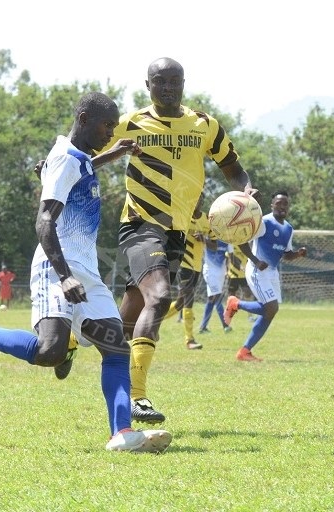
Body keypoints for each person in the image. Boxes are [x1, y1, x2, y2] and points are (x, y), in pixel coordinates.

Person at [0, 92, 171, 453]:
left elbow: (78, 170)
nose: (110, 131)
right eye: (107, 125)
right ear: (84, 118)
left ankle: (122, 433)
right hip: (56, 268)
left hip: (85, 270)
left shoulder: (77, 158)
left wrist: (114, 154)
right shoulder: (64, 159)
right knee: (49, 352)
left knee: (116, 349)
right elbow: (44, 223)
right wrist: (64, 275)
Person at [106, 57, 262, 424]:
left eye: (174, 81)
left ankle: (71, 341)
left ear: (184, 83)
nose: (168, 88)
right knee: (160, 297)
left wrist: (246, 191)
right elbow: (86, 147)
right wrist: (55, 164)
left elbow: (233, 168)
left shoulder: (205, 125)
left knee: (127, 318)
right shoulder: (131, 123)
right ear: (148, 86)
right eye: (160, 82)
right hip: (142, 223)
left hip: (178, 230)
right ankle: (138, 397)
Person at [224, 191, 306, 362]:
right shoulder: (263, 222)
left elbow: (287, 254)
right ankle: (235, 303)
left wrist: (298, 254)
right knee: (271, 308)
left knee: (270, 312)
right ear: (272, 205)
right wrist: (255, 260)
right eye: (279, 203)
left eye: (285, 204)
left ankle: (245, 351)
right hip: (257, 271)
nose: (282, 206)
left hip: (272, 273)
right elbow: (241, 241)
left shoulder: (289, 228)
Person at [163, 208, 209, 350]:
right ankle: (190, 340)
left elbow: (214, 244)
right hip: (183, 263)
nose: (196, 201)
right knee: (189, 299)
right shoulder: (183, 217)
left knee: (180, 303)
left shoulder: (207, 219)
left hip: (197, 266)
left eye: (200, 198)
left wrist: (204, 239)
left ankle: (151, 319)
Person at [197, 237, 233, 335]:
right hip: (210, 273)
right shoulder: (208, 236)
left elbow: (231, 256)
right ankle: (225, 325)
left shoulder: (227, 239)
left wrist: (230, 270)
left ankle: (203, 327)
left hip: (221, 274)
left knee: (211, 300)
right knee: (217, 298)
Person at [226, 244, 256, 321]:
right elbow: (229, 258)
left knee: (248, 293)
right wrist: (226, 270)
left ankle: (250, 315)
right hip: (233, 274)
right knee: (231, 295)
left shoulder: (246, 245)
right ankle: (229, 315)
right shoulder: (231, 244)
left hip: (244, 274)